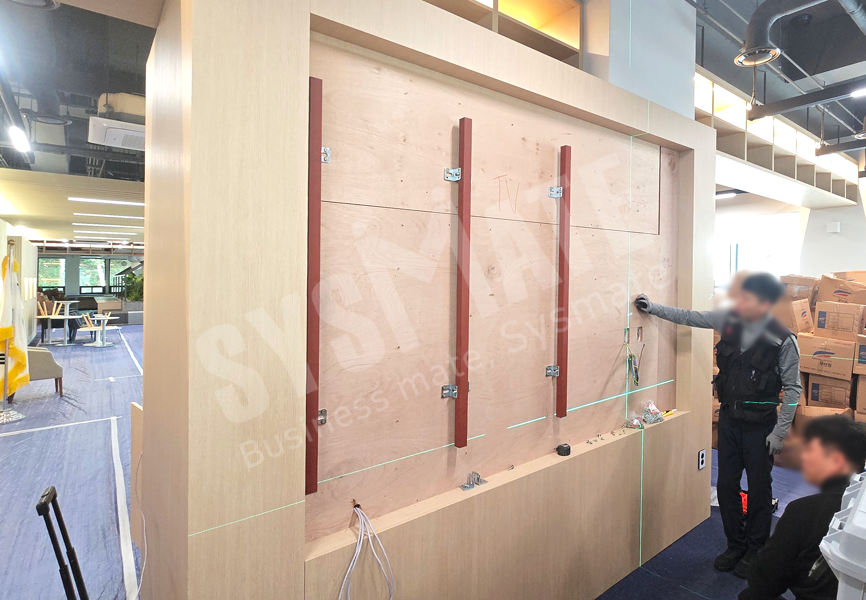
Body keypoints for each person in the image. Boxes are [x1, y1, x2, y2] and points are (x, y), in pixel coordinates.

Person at [635, 273, 801, 578]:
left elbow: (793, 391)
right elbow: (688, 316)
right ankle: (735, 545)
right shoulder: (728, 321)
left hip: (760, 427)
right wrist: (653, 308)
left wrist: (780, 432)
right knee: (726, 486)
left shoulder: (783, 339)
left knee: (759, 489)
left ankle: (756, 550)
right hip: (729, 422)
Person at [739, 416, 866, 600]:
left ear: (837, 460)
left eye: (810, 450)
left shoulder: (803, 512)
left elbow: (765, 580)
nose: (803, 457)